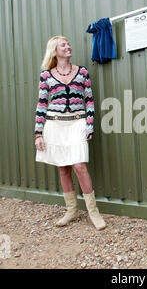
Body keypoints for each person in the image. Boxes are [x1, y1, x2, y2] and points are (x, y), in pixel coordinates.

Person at [34, 36, 106, 231]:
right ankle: (71, 210)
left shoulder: (82, 72)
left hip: (77, 123)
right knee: (63, 168)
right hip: (54, 125)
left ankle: (93, 212)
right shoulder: (46, 75)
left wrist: (89, 124)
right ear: (54, 51)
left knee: (79, 166)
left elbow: (89, 100)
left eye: (68, 44)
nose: (68, 47)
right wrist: (38, 133)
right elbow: (42, 104)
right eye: (63, 45)